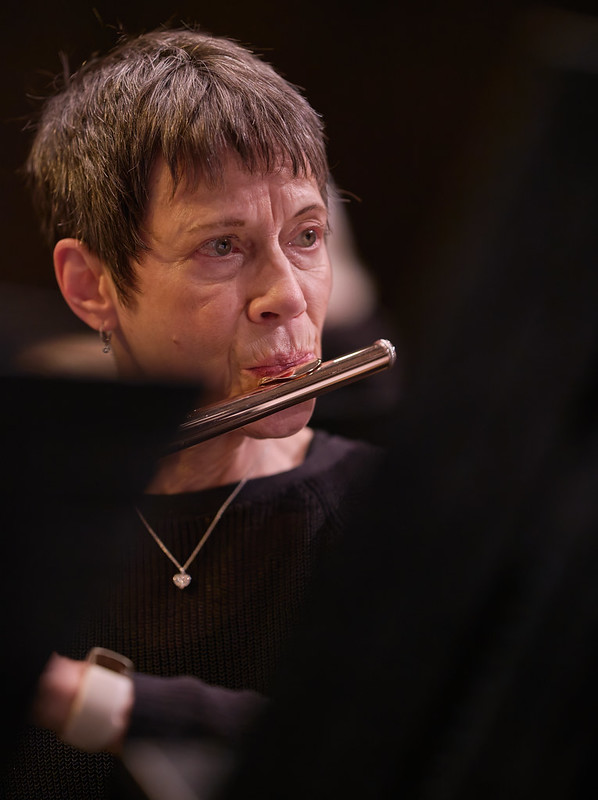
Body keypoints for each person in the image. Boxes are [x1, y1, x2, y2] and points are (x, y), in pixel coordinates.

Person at [2, 26, 385, 799]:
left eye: (307, 236)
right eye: (222, 247)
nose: (287, 296)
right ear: (91, 287)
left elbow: (377, 744)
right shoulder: (30, 527)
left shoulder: (380, 515)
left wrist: (79, 696)